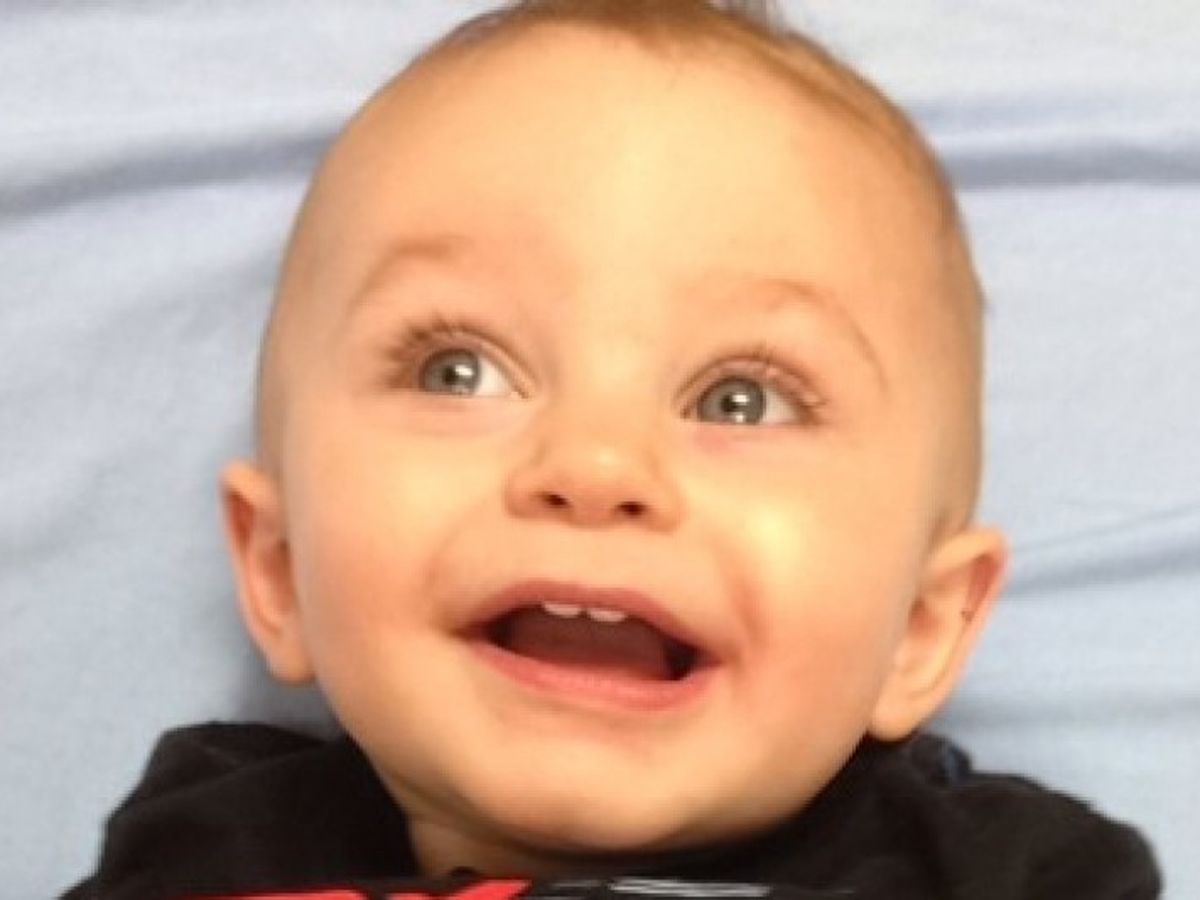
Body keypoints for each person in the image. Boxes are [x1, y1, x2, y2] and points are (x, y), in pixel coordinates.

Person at [65, 2, 1160, 898]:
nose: (593, 467)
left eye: (741, 400)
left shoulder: (1001, 877)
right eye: (458, 371)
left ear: (919, 629)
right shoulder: (200, 860)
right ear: (278, 569)